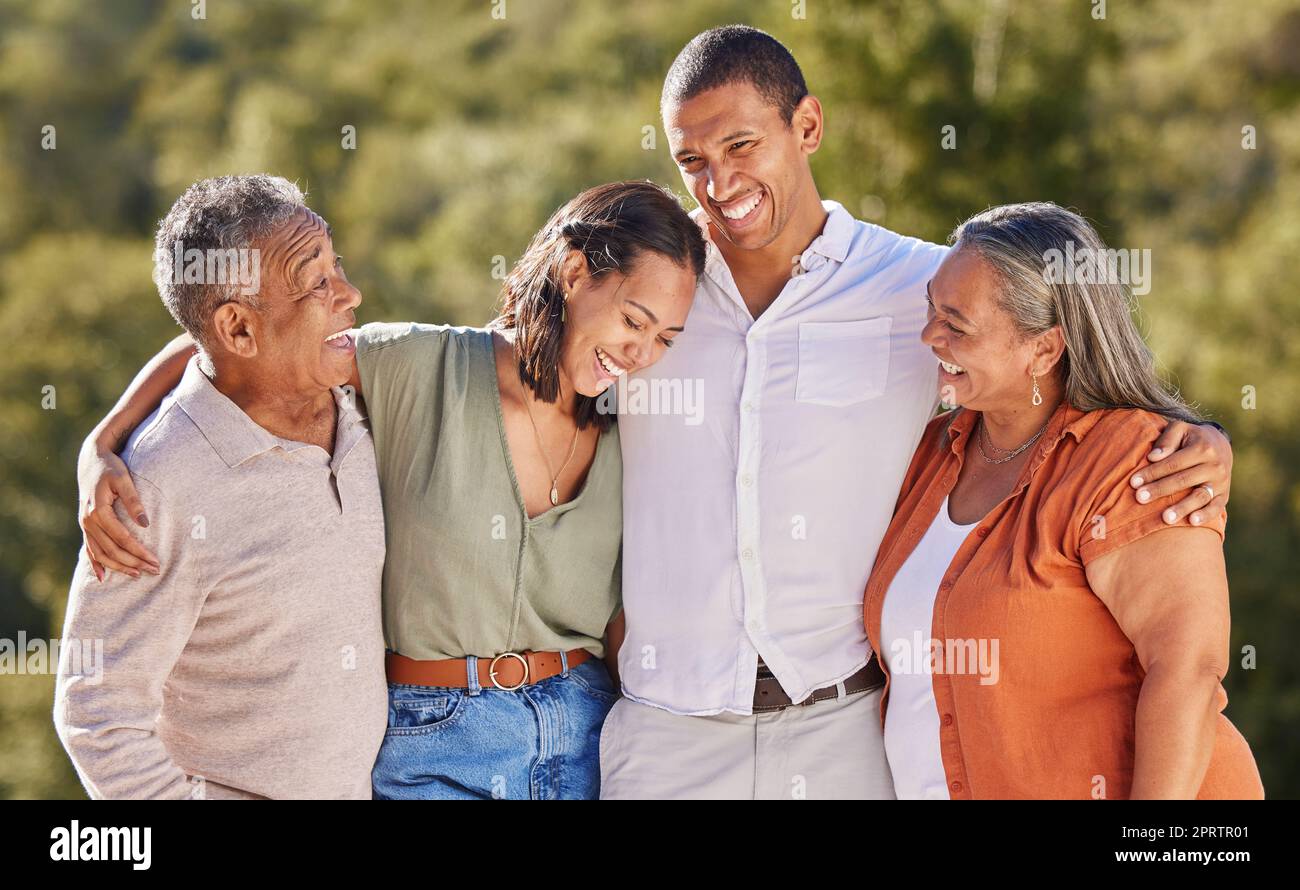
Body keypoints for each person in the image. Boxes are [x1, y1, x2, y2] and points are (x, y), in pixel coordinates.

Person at [598, 25, 1236, 799]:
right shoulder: (647, 290)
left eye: (741, 146)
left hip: (841, 733)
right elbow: (531, 359)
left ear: (807, 127)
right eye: (691, 160)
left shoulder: (922, 284)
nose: (718, 181)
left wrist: (1198, 438)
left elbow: (1069, 351)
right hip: (668, 737)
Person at [74, 179, 705, 799]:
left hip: (586, 738)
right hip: (436, 745)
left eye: (664, 339)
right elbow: (231, 347)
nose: (643, 352)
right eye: (633, 321)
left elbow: (253, 340)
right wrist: (106, 440)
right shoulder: (416, 369)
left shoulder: (637, 417)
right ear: (573, 273)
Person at [864, 202, 1263, 799]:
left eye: (957, 324)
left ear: (1044, 351)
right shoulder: (927, 454)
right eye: (930, 307)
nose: (929, 335)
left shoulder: (1136, 461)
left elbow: (1187, 673)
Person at [54, 175, 387, 798]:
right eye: (315, 283)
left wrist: (100, 434)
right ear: (238, 330)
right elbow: (97, 715)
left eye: (335, 266)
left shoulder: (366, 394)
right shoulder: (152, 488)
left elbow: (198, 342)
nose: (351, 294)